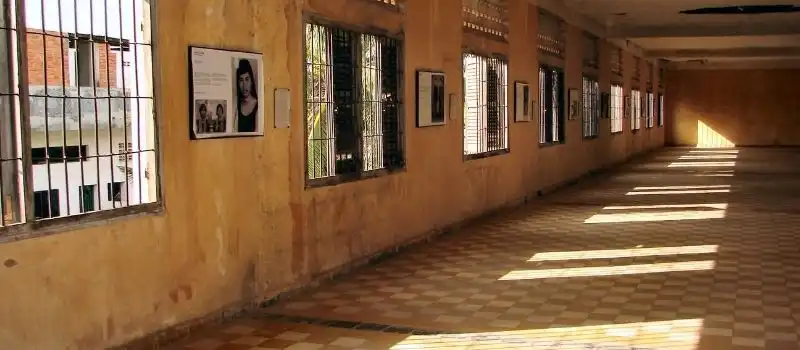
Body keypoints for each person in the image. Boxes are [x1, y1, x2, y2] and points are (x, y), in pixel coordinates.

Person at [235, 59, 258, 132]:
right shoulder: (236, 105)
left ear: (251, 81)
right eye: (241, 80)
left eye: (247, 79)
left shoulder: (258, 105)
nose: (244, 85)